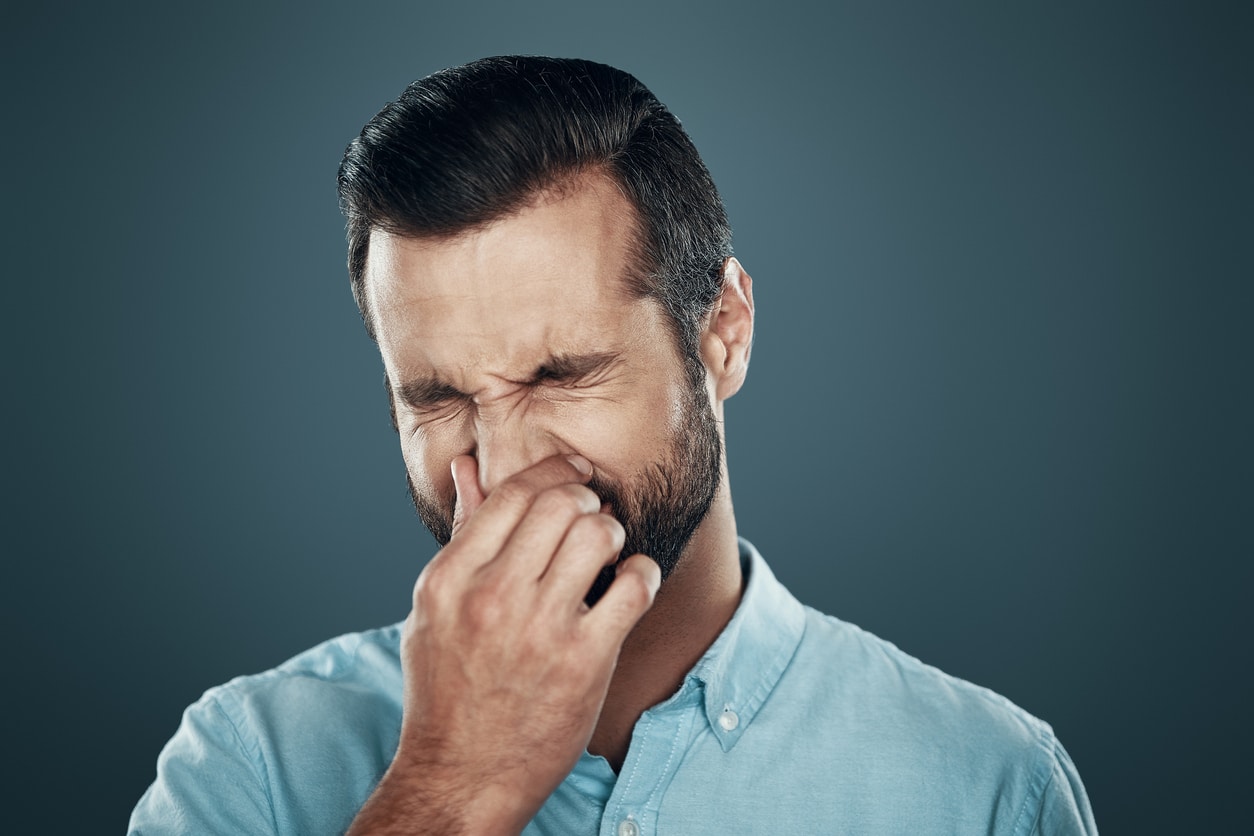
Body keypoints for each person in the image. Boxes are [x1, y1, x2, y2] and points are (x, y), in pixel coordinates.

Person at [129, 56, 1097, 835]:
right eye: (439, 397)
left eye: (560, 376)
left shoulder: (986, 788)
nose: (504, 465)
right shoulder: (247, 765)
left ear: (722, 330)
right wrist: (449, 790)